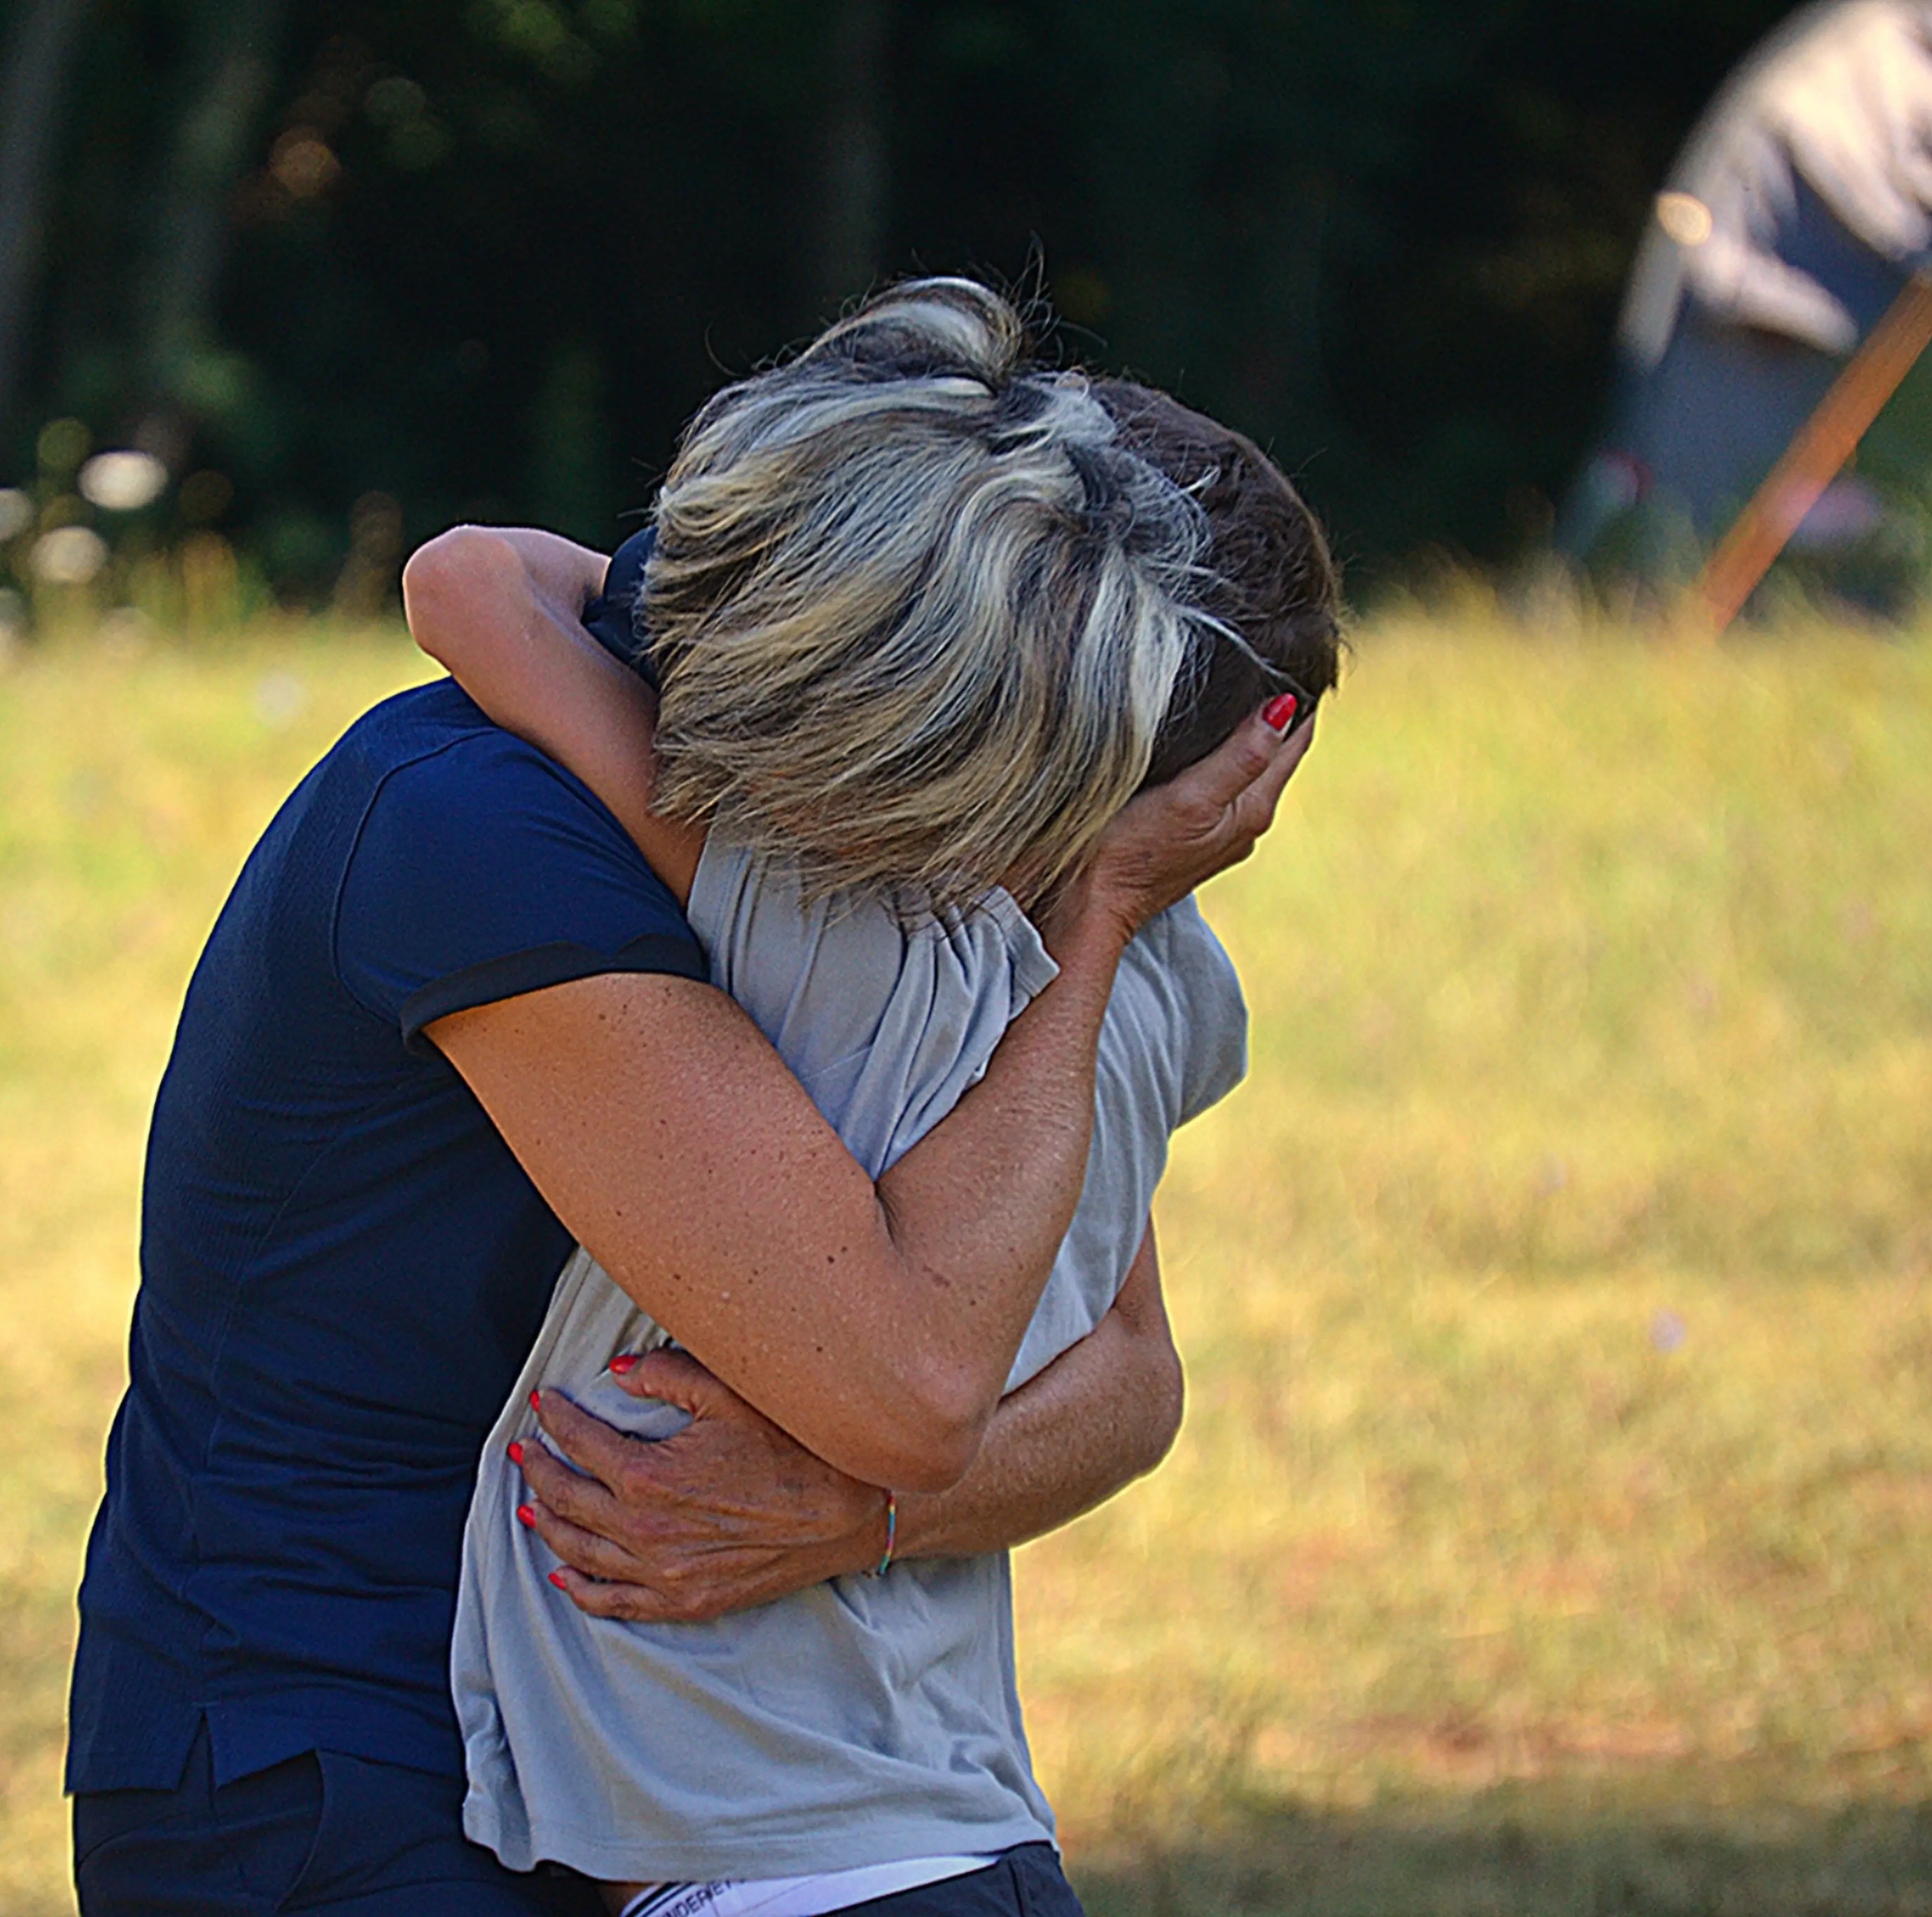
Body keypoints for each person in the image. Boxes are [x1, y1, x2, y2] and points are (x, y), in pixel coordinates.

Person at [65, 278, 1315, 1915]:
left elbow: (1126, 1380)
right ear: (872, 718)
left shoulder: (883, 907)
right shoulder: (484, 833)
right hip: (335, 1755)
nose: (1010, 865)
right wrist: (1094, 927)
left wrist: (852, 1521)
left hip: (637, 1780)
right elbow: (922, 1388)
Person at [418, 295, 1340, 1910]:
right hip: (955, 1813)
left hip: (770, 1852)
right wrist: (1122, 896)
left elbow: (468, 586)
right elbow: (1138, 1377)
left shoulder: (823, 938)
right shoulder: (1174, 1003)